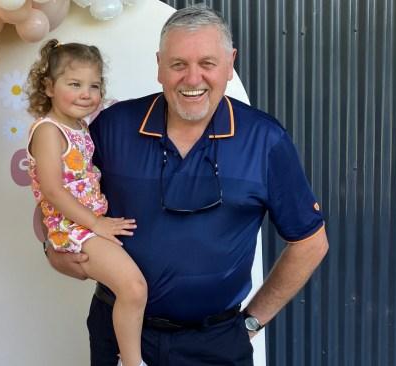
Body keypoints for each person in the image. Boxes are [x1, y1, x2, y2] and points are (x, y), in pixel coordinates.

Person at [44, 5, 330, 366]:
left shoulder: (266, 140)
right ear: (160, 65)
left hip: (217, 343)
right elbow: (55, 194)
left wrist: (253, 321)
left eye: (207, 63)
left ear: (230, 64)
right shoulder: (111, 127)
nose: (192, 79)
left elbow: (310, 243)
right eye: (178, 64)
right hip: (119, 333)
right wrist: (52, 249)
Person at [26, 39, 148, 366]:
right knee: (133, 287)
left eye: (94, 86)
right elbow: (52, 190)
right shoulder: (49, 132)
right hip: (75, 228)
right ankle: (133, 362)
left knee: (132, 286)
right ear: (49, 87)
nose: (86, 94)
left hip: (87, 223)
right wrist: (95, 224)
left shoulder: (80, 126)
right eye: (75, 84)